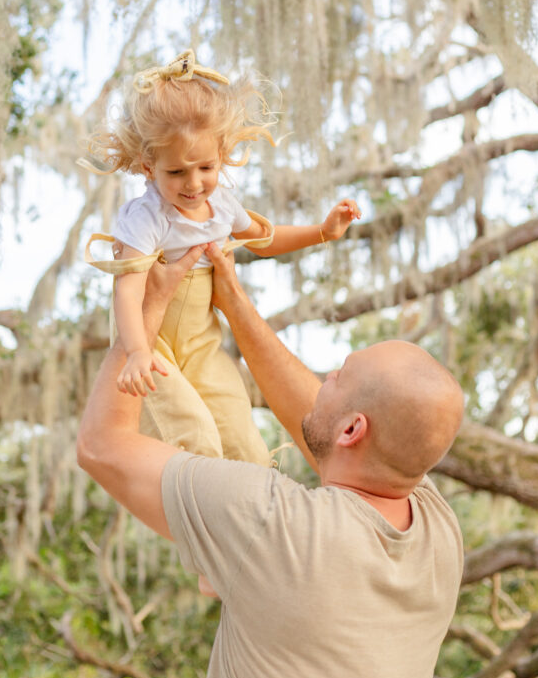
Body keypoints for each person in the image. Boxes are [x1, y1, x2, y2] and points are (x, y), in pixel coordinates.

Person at [77, 241, 466, 678]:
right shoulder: (438, 532)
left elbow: (101, 445)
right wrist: (233, 301)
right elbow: (339, 433)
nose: (322, 380)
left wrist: (145, 312)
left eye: (337, 376)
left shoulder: (273, 522)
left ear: (352, 429)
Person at [83, 49, 360, 464]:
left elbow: (264, 238)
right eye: (176, 172)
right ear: (147, 166)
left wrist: (322, 231)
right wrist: (137, 352)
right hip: (151, 340)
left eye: (205, 168)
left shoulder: (224, 205)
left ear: (222, 153)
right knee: (196, 440)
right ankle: (196, 517)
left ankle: (254, 516)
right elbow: (128, 292)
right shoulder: (146, 217)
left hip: (201, 343)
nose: (193, 184)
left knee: (244, 446)